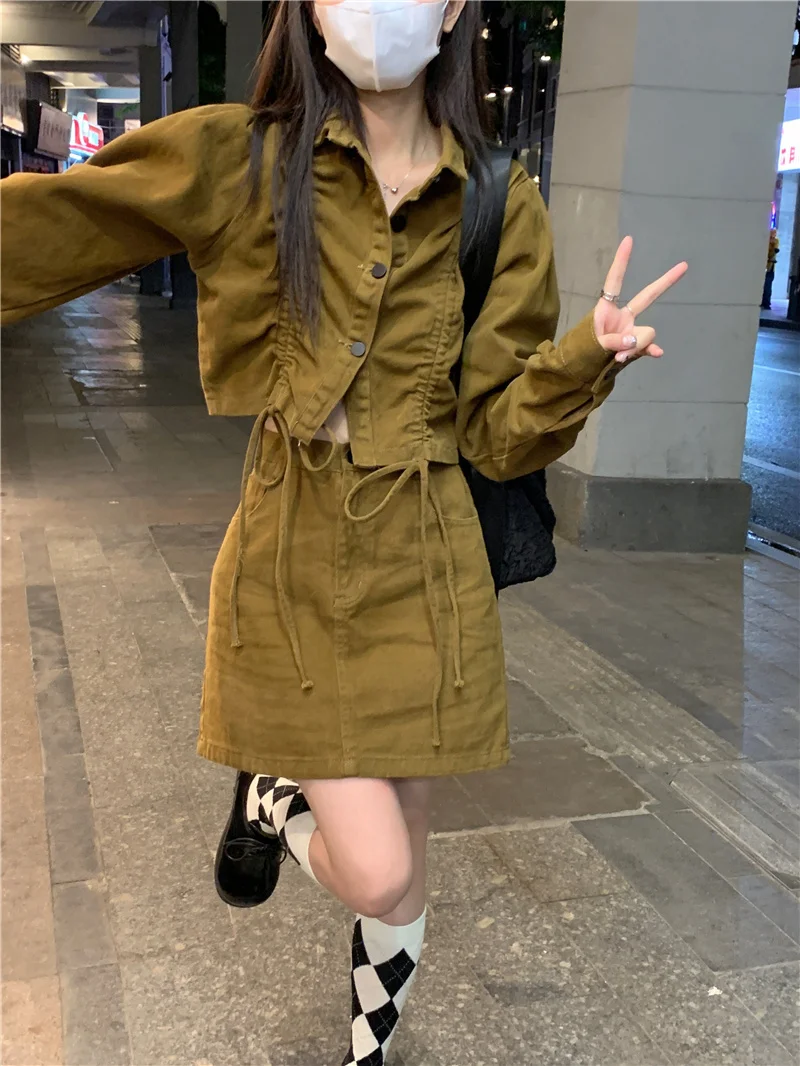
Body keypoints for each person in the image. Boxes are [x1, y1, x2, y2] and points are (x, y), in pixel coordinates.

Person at [0, 2, 687, 1061]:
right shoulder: (244, 157)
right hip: (293, 551)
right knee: (373, 868)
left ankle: (370, 1048)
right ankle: (276, 800)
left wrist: (582, 360)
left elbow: (497, 435)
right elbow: (52, 225)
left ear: (451, 10)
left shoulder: (496, 197)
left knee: (407, 846)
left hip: (428, 556)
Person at [761, 225, 779, 311]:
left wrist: (774, 246)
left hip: (770, 267)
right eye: (772, 233)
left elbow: (774, 252)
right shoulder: (766, 241)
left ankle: (766, 302)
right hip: (766, 266)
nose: (773, 234)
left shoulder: (775, 241)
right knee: (764, 285)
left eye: (774, 233)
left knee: (768, 285)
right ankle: (763, 301)